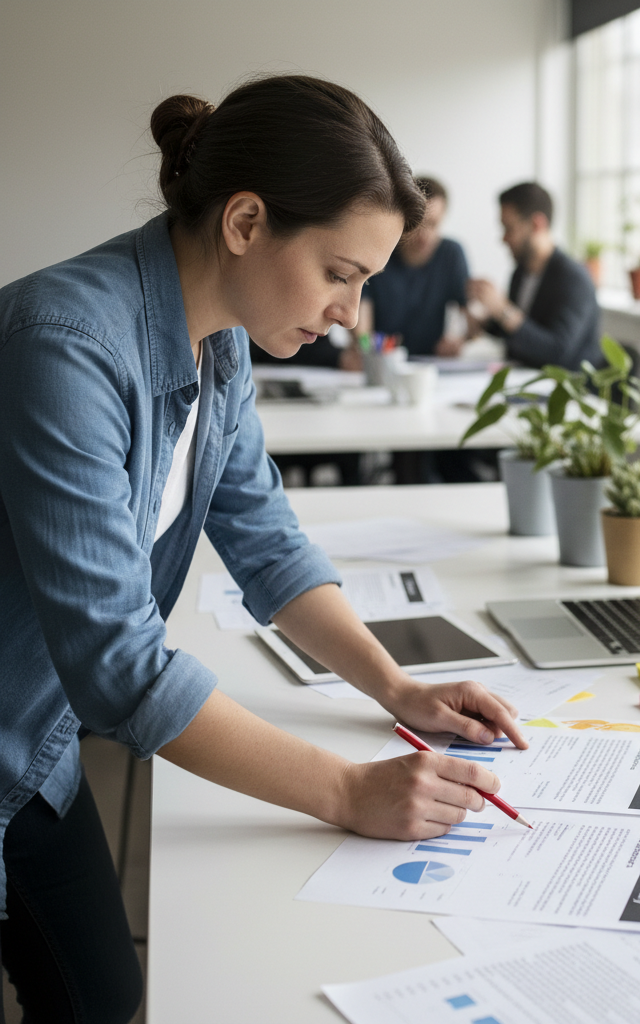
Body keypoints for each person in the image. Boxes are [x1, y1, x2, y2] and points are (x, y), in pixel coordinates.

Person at [0, 75, 525, 1024]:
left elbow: (268, 545)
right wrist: (347, 792)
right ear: (245, 222)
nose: (350, 314)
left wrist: (396, 689)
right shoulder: (65, 342)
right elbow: (120, 667)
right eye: (339, 273)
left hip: (30, 741)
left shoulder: (223, 346)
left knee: (101, 1001)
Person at [467, 182, 602, 370]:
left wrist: (502, 309)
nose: (503, 238)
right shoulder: (521, 273)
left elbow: (557, 351)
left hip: (563, 391)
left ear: (536, 224)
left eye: (509, 228)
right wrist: (485, 320)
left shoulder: (574, 279)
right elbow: (521, 334)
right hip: (523, 380)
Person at [353, 175, 470, 359]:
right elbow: (361, 324)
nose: (425, 235)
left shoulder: (451, 253)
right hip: (384, 360)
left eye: (434, 224)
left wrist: (458, 341)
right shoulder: (380, 251)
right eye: (419, 224)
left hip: (432, 362)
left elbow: (468, 315)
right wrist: (365, 350)